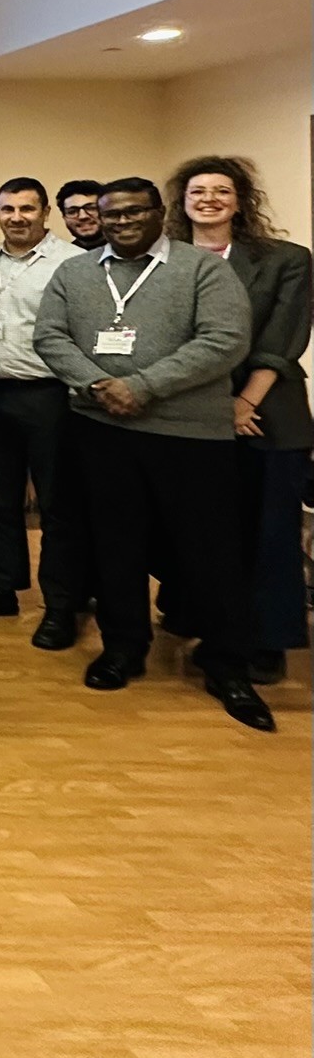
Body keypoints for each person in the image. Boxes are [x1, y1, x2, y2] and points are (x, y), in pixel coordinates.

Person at [33, 176, 269, 730]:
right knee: (116, 546)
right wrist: (97, 385)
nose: (122, 222)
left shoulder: (203, 269)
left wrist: (141, 386)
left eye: (134, 212)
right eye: (111, 215)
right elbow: (50, 337)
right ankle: (123, 648)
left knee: (209, 552)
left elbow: (224, 341)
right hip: (100, 431)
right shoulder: (75, 272)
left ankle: (225, 664)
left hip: (189, 436)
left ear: (160, 213)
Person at [166, 155, 311, 685]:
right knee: (207, 532)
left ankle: (267, 641)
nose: (209, 199)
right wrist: (214, 405)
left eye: (221, 190)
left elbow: (282, 338)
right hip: (193, 413)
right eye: (197, 190)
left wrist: (243, 402)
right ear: (181, 202)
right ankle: (210, 626)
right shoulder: (166, 261)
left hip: (267, 414)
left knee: (270, 534)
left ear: (240, 199)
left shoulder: (285, 259)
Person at [0, 178, 94, 645]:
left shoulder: (72, 264)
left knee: (58, 504)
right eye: (7, 209)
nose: (17, 217)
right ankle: (2, 586)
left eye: (27, 209)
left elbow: (82, 332)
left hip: (49, 395)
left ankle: (60, 603)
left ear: (46, 212)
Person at [56, 180, 106, 249]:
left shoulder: (124, 250)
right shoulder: (64, 257)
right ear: (64, 217)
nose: (83, 216)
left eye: (91, 208)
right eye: (72, 211)